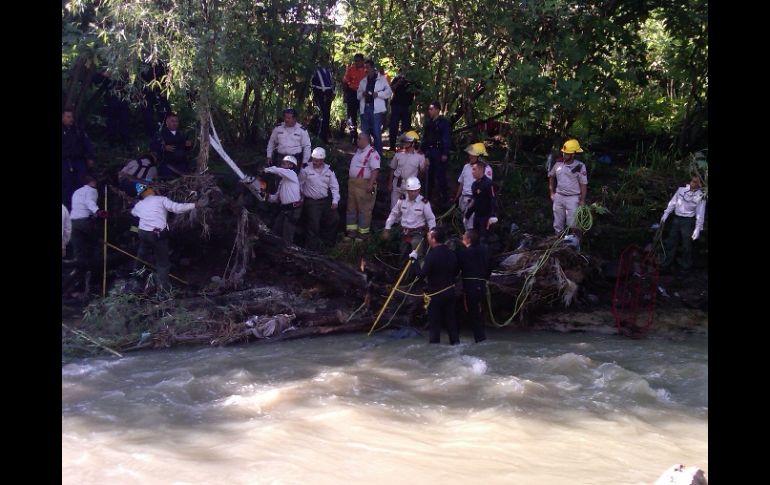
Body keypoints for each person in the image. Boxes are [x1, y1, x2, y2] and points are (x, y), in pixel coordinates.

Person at [131, 181, 205, 294]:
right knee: (163, 263)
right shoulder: (161, 199)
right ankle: (164, 291)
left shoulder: (139, 204)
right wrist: (195, 205)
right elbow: (176, 208)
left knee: (141, 254)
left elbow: (133, 213)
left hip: (143, 233)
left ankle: (135, 279)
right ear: (150, 190)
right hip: (157, 235)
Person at [414, 226, 459, 344]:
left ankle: (434, 350)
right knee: (451, 323)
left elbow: (421, 275)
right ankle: (456, 345)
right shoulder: (451, 253)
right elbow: (456, 272)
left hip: (436, 294)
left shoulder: (432, 255)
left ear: (433, 239)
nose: (427, 237)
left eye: (429, 236)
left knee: (435, 325)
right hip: (450, 292)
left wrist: (414, 261)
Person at [660, 175, 706, 273]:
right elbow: (673, 203)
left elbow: (700, 213)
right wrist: (666, 214)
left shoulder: (701, 196)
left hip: (688, 221)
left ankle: (685, 267)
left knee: (687, 245)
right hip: (677, 219)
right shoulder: (681, 190)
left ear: (700, 184)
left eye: (697, 182)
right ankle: (666, 264)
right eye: (693, 181)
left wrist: (698, 228)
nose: (694, 184)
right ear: (690, 181)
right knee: (671, 242)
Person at [382, 176, 436, 261]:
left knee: (417, 256)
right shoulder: (402, 200)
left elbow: (431, 219)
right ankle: (403, 272)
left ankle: (419, 273)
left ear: (419, 190)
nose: (414, 193)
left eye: (416, 191)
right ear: (407, 191)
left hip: (418, 233)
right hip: (405, 233)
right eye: (411, 191)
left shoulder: (424, 203)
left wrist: (432, 232)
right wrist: (387, 228)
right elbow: (394, 214)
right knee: (402, 255)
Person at [69, 175, 107, 295]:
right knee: (97, 247)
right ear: (92, 182)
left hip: (73, 223)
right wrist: (98, 211)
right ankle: (95, 281)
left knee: (79, 253)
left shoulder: (77, 191)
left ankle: (78, 283)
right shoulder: (92, 191)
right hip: (85, 222)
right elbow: (89, 202)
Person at [300, 147, 340, 251]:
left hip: (325, 201)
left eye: (318, 160)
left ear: (323, 160)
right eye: (314, 160)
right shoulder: (305, 169)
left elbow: (334, 186)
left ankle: (328, 245)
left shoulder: (329, 170)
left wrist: (335, 200)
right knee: (314, 224)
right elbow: (300, 185)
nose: (315, 162)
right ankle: (311, 249)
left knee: (335, 219)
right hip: (311, 202)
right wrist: (300, 198)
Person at [456, 229, 490, 343]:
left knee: (473, 314)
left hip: (470, 286)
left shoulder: (464, 253)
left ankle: (479, 339)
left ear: (468, 239)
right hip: (482, 284)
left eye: (464, 236)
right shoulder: (484, 250)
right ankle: (479, 337)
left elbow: (457, 269)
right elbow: (490, 266)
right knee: (477, 312)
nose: (462, 237)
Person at [345, 133, 381, 240]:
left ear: (366, 140)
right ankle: (351, 232)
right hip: (353, 184)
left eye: (359, 138)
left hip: (364, 184)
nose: (357, 140)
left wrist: (370, 184)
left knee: (364, 209)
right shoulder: (359, 151)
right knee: (351, 208)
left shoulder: (372, 153)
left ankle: (363, 234)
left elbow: (375, 170)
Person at [548, 138, 588, 234]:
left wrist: (582, 200)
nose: (564, 155)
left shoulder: (580, 166)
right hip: (559, 197)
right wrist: (552, 193)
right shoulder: (558, 164)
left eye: (567, 153)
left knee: (573, 224)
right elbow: (551, 176)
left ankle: (572, 243)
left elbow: (583, 184)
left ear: (573, 154)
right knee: (558, 223)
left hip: (573, 198)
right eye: (564, 153)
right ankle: (558, 242)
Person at [357, 59, 392, 156]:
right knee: (365, 133)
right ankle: (365, 155)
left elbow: (389, 92)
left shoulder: (381, 79)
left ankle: (378, 156)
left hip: (376, 109)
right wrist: (362, 94)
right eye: (365, 68)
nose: (366, 70)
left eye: (368, 68)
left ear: (372, 68)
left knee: (377, 133)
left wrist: (378, 94)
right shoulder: (363, 81)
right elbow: (358, 95)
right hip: (365, 108)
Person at [455, 142, 493, 229]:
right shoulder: (466, 167)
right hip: (464, 198)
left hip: (475, 200)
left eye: (472, 155)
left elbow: (487, 188)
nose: (470, 157)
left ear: (479, 157)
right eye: (470, 155)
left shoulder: (487, 170)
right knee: (465, 222)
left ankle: (470, 240)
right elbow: (462, 183)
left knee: (471, 225)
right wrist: (457, 198)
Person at [265, 155, 303, 244]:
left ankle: (290, 255)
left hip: (293, 209)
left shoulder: (291, 174)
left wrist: (265, 170)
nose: (283, 163)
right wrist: (266, 196)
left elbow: (277, 170)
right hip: (285, 209)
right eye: (283, 162)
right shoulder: (283, 181)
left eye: (285, 162)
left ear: (291, 165)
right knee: (275, 231)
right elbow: (276, 198)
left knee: (287, 235)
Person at [61, 109, 94, 209]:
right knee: (66, 187)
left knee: (79, 186)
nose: (71, 119)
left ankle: (79, 210)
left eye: (72, 117)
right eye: (68, 117)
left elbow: (87, 145)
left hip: (79, 162)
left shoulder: (78, 130)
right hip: (65, 162)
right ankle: (66, 210)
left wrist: (90, 158)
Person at [387, 131, 427, 208]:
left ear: (413, 143)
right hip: (397, 182)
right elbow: (392, 168)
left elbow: (422, 171)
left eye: (407, 142)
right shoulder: (398, 154)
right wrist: (390, 183)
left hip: (410, 185)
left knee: (408, 209)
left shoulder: (420, 156)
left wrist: (426, 165)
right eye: (404, 141)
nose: (405, 143)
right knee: (394, 208)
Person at [421, 101, 451, 204]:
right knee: (429, 177)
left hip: (439, 152)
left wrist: (445, 153)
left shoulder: (444, 122)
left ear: (438, 110)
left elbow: (446, 138)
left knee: (441, 177)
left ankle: (443, 200)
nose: (430, 111)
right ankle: (427, 199)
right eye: (429, 109)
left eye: (432, 109)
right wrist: (424, 152)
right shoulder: (429, 123)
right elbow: (425, 138)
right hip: (430, 151)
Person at [464, 161, 498, 245]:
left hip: (486, 217)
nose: (472, 172)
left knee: (484, 240)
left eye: (474, 169)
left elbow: (492, 199)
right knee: (475, 239)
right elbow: (475, 201)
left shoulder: (488, 183)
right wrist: (467, 215)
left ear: (480, 170)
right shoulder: (474, 185)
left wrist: (493, 215)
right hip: (477, 216)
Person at [151, 112, 192, 179]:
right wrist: (164, 147)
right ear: (167, 122)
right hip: (167, 166)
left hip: (182, 165)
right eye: (172, 121)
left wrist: (189, 145)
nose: (175, 123)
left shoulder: (182, 134)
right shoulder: (160, 134)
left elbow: (187, 149)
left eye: (176, 121)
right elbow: (153, 147)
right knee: (167, 182)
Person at [342, 53, 367, 144]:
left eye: (358, 61)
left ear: (362, 61)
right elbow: (345, 80)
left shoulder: (367, 70)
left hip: (364, 95)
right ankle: (353, 136)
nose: (356, 63)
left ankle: (366, 136)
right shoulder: (351, 69)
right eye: (355, 61)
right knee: (351, 116)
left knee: (365, 115)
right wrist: (346, 93)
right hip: (352, 94)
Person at [310, 55, 335, 143]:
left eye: (327, 59)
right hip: (320, 93)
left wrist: (332, 93)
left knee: (327, 115)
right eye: (325, 59)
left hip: (328, 94)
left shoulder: (328, 71)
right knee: (323, 115)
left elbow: (331, 83)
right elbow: (313, 85)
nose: (326, 61)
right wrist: (316, 95)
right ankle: (319, 137)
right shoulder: (316, 70)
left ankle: (324, 137)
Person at [388, 64, 415, 147]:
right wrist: (398, 83)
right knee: (393, 127)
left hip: (407, 106)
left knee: (406, 128)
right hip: (396, 106)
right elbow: (390, 89)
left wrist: (415, 105)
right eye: (404, 69)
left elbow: (418, 92)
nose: (405, 71)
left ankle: (404, 147)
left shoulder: (413, 80)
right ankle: (392, 146)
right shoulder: (397, 78)